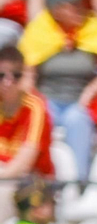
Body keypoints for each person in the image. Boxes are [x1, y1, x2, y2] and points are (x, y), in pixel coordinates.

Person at [22, 0, 97, 178]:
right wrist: (35, 102)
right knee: (40, 116)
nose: (81, 8)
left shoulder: (92, 25)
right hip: (48, 100)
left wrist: (91, 90)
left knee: (76, 119)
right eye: (74, 4)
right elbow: (27, 74)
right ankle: (42, 179)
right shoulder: (40, 29)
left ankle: (79, 181)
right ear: (57, 9)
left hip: (81, 101)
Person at [0, 46, 57, 180]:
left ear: (24, 76)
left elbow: (25, 163)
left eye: (16, 75)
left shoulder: (35, 107)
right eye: (1, 75)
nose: (8, 82)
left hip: (32, 181)